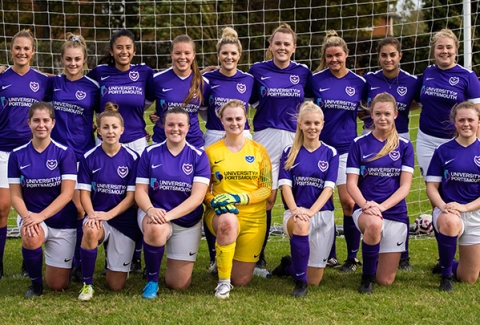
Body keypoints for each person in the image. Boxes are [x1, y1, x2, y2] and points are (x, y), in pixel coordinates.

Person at [87, 29, 154, 274]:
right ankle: (103, 249)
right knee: (105, 193)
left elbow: (165, 93)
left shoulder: (145, 73)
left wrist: (208, 71)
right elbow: (71, 79)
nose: (124, 51)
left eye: (128, 47)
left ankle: (134, 256)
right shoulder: (99, 73)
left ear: (134, 50)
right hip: (105, 141)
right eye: (119, 47)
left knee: (136, 198)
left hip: (136, 142)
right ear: (111, 51)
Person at [248, 23, 311, 268]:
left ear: (294, 47)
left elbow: (314, 103)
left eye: (287, 44)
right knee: (266, 199)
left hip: (295, 140)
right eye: (278, 43)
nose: (282, 47)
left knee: (297, 195)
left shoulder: (304, 73)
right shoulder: (257, 70)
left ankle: (302, 255)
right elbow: (244, 95)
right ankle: (258, 255)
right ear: (270, 46)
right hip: (264, 140)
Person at [136, 107, 210, 299]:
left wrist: (168, 216)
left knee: (179, 284)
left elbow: (197, 198)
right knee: (156, 228)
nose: (175, 129)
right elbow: (140, 192)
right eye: (170, 124)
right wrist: (151, 210)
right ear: (163, 125)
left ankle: (166, 261)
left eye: (180, 125)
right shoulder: (150, 153)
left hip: (186, 220)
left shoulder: (199, 156)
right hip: (154, 213)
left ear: (188, 127)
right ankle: (151, 280)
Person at [346, 93, 414, 294]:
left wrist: (382, 207)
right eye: (378, 114)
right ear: (371, 115)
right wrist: (366, 205)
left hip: (394, 212)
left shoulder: (405, 145)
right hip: (366, 209)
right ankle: (366, 278)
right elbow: (351, 184)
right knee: (375, 223)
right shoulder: (358, 143)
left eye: (386, 113)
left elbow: (405, 187)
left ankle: (374, 255)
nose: (382, 118)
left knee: (386, 280)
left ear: (395, 114)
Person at [310, 30, 367, 272]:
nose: (334, 60)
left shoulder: (359, 82)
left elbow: (366, 111)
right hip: (319, 149)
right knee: (321, 201)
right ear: (325, 56)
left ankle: (352, 258)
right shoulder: (315, 80)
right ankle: (328, 253)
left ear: (346, 54)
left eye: (338, 56)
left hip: (346, 149)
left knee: (348, 202)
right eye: (330, 56)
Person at [45, 32, 100, 281]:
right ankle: (41, 253)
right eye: (68, 59)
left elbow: (108, 112)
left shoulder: (92, 87)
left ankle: (79, 262)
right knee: (47, 202)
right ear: (61, 59)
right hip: (54, 155)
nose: (73, 63)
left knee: (79, 207)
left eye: (77, 59)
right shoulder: (52, 84)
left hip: (81, 155)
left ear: (84, 59)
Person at [204, 100, 272, 299]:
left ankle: (223, 259)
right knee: (228, 221)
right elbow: (203, 190)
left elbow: (266, 189)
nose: (234, 123)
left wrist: (239, 197)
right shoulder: (210, 152)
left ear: (246, 120)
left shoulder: (259, 151)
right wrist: (212, 201)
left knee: (241, 280)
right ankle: (223, 284)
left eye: (238, 118)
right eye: (229, 119)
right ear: (221, 121)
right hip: (221, 214)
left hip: (253, 218)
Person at [8, 101, 77, 297]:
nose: (41, 125)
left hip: (62, 220)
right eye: (36, 120)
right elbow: (15, 195)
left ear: (53, 123)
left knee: (58, 285)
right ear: (28, 123)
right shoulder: (17, 155)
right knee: (31, 234)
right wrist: (28, 217)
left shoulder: (65, 153)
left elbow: (67, 194)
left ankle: (66, 265)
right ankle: (35, 284)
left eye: (45, 120)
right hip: (31, 214)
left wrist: (41, 216)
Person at [363, 37, 420, 271]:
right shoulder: (369, 79)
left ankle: (402, 252)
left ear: (400, 56)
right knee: (372, 187)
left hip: (400, 138)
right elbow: (362, 105)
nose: (388, 59)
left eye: (392, 55)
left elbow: (416, 103)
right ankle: (371, 244)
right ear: (379, 57)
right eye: (384, 55)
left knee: (399, 194)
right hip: (373, 137)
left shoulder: (412, 81)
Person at [272, 101, 338, 297]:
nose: (312, 127)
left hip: (321, 214)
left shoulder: (330, 153)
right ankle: (300, 284)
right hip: (295, 214)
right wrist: (296, 211)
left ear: (322, 124)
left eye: (316, 123)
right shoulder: (289, 152)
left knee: (315, 279)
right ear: (300, 124)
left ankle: (288, 267)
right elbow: (286, 187)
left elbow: (328, 190)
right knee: (301, 225)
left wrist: (310, 212)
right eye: (308, 123)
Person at [201, 27, 255, 273]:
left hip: (242, 136)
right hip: (214, 136)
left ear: (240, 55)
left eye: (233, 53)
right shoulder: (207, 80)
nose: (229, 57)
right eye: (225, 53)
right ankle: (215, 256)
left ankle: (254, 255)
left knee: (246, 192)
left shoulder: (249, 79)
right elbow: (198, 106)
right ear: (218, 55)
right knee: (212, 196)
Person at [76, 102, 139, 301]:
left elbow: (131, 198)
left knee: (116, 285)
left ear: (122, 130)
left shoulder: (133, 158)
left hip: (123, 220)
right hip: (98, 216)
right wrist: (92, 215)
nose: (110, 131)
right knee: (90, 229)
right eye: (105, 127)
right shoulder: (88, 157)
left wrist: (110, 214)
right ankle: (87, 284)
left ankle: (115, 264)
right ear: (98, 130)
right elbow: (84, 193)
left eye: (114, 127)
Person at [0, 29, 49, 278]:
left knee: (31, 205)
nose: (22, 52)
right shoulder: (2, 77)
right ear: (11, 51)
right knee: (2, 206)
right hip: (3, 149)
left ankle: (28, 261)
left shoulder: (42, 80)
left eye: (26, 48)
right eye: (17, 48)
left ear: (33, 51)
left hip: (31, 152)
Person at [426, 101, 480, 292]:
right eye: (461, 120)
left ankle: (449, 264)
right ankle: (445, 275)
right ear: (455, 123)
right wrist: (443, 205)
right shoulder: (443, 150)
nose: (466, 124)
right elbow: (431, 186)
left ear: (478, 122)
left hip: (474, 214)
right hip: (447, 212)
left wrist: (464, 207)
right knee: (450, 222)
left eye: (471, 120)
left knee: (469, 278)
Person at [417, 28, 480, 179]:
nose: (444, 51)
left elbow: (478, 115)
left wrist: (476, 146)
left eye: (449, 47)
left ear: (456, 50)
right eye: (440, 47)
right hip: (426, 140)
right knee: (432, 185)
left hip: (455, 140)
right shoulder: (428, 72)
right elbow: (417, 101)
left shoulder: (468, 76)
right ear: (433, 51)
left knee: (453, 187)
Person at [150, 35, 210, 149]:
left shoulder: (203, 83)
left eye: (187, 53)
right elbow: (141, 107)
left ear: (193, 55)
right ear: (171, 54)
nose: (182, 57)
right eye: (178, 53)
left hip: (193, 143)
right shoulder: (157, 79)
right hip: (162, 141)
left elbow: (206, 114)